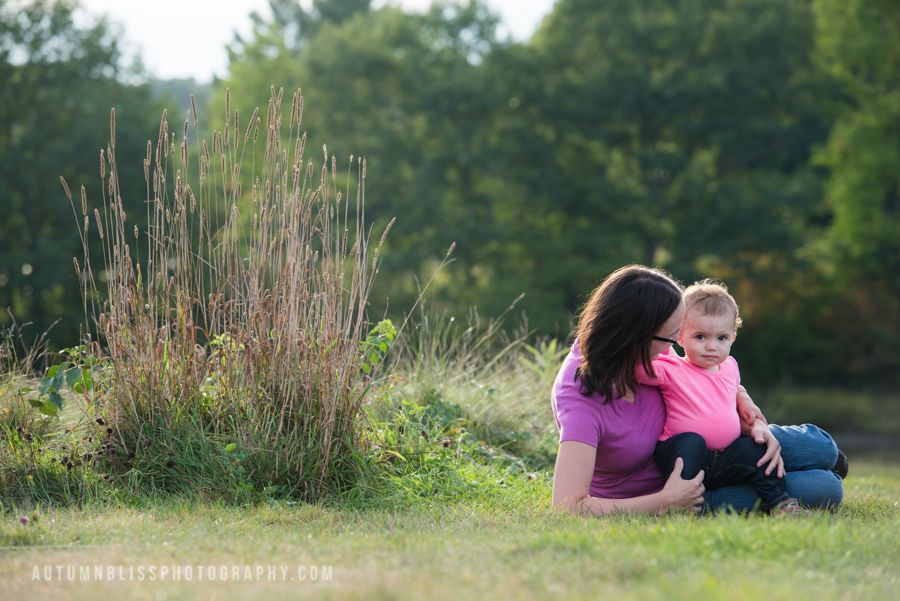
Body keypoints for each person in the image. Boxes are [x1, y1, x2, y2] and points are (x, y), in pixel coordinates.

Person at [551, 265, 845, 515]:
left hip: (718, 446)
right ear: (636, 335)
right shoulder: (581, 398)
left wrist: (751, 416)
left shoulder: (644, 349)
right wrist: (666, 500)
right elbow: (567, 506)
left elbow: (705, 377)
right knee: (825, 488)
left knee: (821, 447)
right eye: (670, 337)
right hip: (675, 488)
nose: (675, 347)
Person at [637, 280, 802, 515]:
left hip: (726, 459)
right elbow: (637, 369)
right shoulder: (670, 368)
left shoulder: (730, 366)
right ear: (680, 337)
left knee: (756, 449)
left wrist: (745, 401)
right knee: (692, 441)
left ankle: (781, 505)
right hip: (683, 456)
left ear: (733, 338)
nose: (711, 347)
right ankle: (683, 506)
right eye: (701, 337)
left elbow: (735, 387)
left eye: (721, 338)